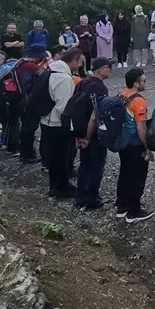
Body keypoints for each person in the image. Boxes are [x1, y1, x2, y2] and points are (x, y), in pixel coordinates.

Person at [43, 48, 85, 199]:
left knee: (54, 157)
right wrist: (72, 128)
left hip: (47, 120)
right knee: (61, 157)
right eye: (79, 63)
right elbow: (65, 107)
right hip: (58, 124)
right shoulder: (65, 79)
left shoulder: (51, 71)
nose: (80, 66)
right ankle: (61, 188)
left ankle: (56, 186)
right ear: (74, 62)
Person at [74, 57, 114, 210]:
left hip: (79, 128)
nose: (110, 70)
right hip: (92, 134)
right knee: (96, 166)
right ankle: (91, 199)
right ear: (99, 69)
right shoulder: (99, 88)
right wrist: (88, 137)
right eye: (107, 67)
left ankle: (80, 197)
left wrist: (77, 135)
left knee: (84, 165)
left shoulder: (83, 82)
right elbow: (95, 116)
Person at [117, 68, 155, 223]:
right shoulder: (138, 100)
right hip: (134, 143)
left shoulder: (122, 94)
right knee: (137, 176)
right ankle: (134, 211)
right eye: (143, 81)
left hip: (123, 141)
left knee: (125, 173)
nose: (145, 83)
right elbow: (141, 127)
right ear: (136, 83)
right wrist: (147, 147)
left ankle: (122, 206)